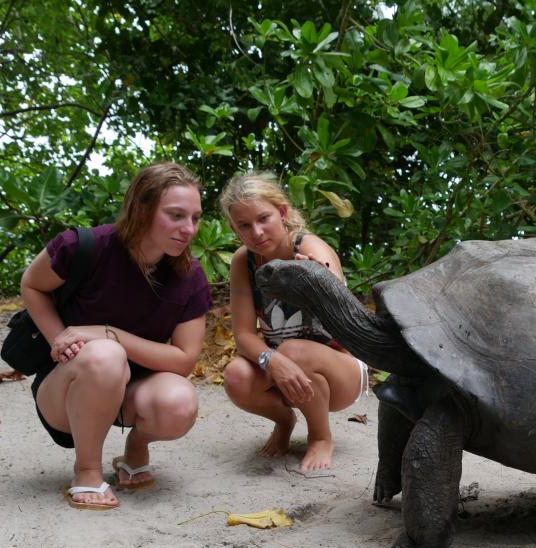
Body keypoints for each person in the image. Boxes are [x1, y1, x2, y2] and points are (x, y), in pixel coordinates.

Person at [21, 161, 212, 510]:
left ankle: (136, 447)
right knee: (105, 356)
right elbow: (32, 284)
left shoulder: (190, 277)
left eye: (195, 218)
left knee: (180, 402)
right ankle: (87, 471)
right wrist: (59, 340)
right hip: (66, 393)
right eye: (175, 215)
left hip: (132, 394)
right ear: (142, 208)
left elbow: (184, 359)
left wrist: (109, 334)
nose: (189, 229)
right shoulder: (83, 246)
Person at [218, 171, 366, 471]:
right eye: (244, 226)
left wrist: (320, 283)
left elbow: (343, 311)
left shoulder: (310, 248)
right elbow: (244, 335)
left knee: (293, 352)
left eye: (264, 219)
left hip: (341, 370)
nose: (256, 232)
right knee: (236, 375)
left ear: (282, 213)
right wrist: (271, 359)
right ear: (234, 229)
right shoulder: (242, 262)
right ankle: (284, 421)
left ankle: (321, 437)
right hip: (285, 366)